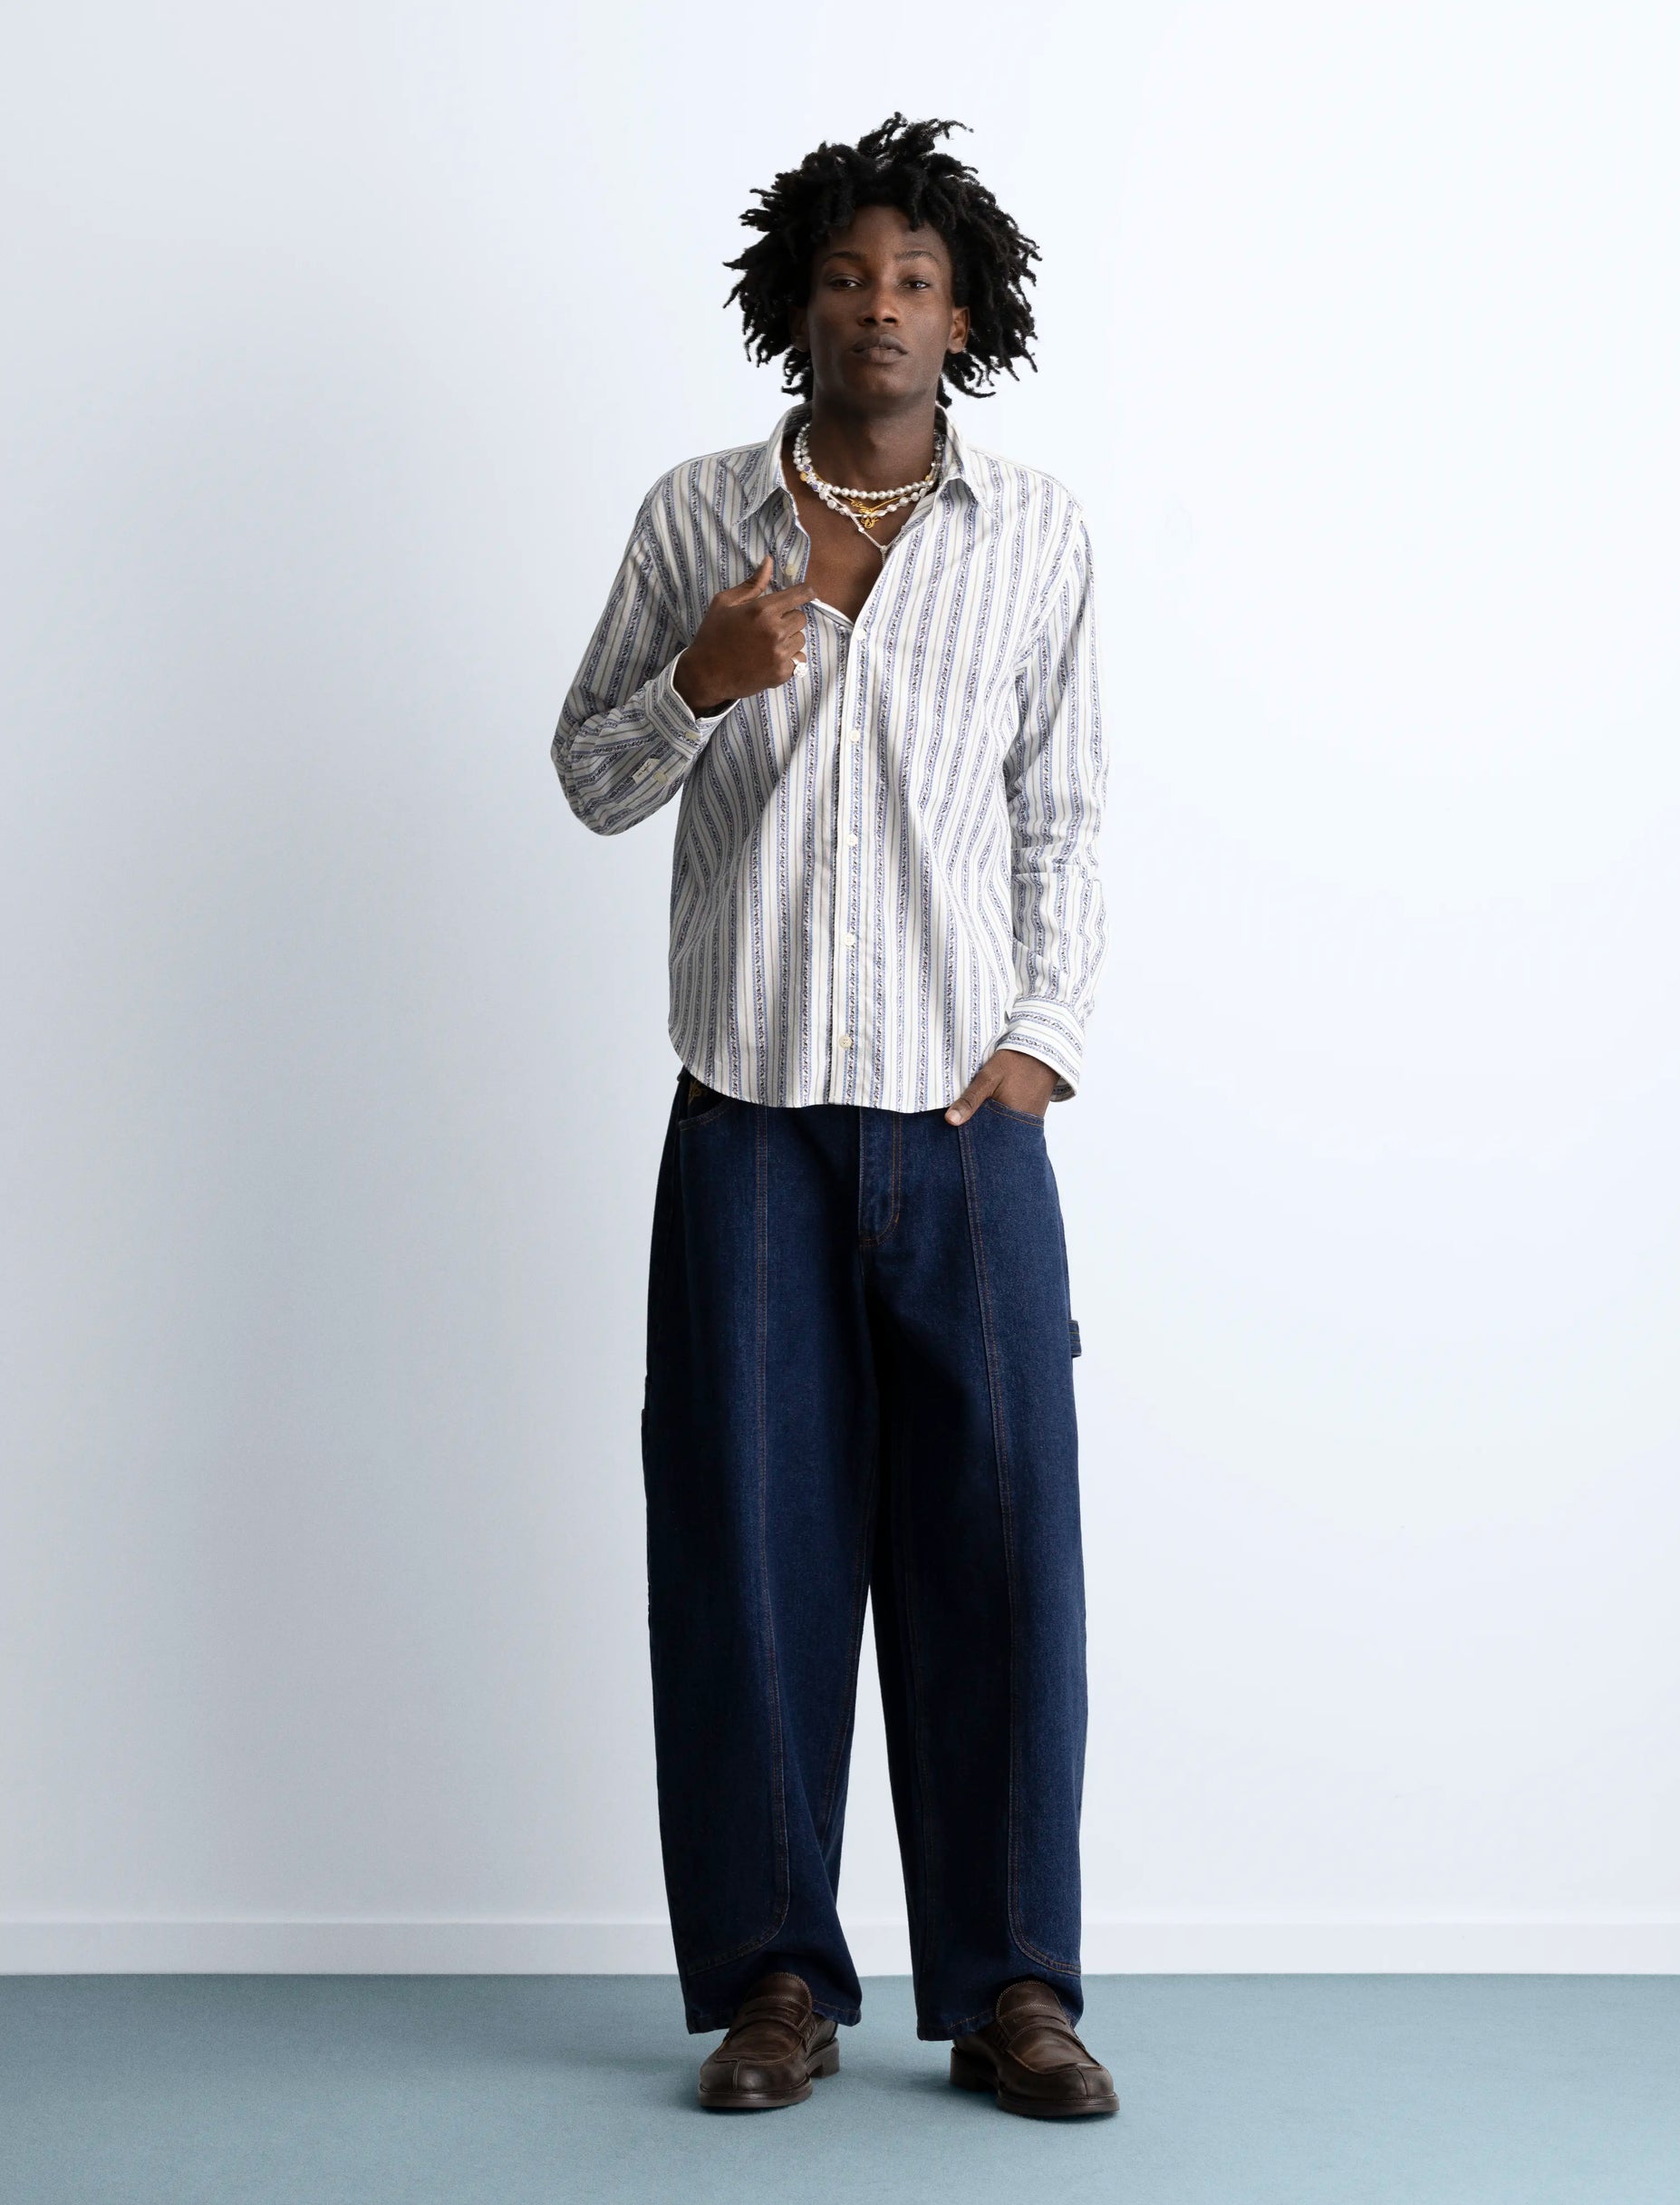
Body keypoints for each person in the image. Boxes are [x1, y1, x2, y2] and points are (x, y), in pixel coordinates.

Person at [550, 114, 1115, 2120]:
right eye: (849, 273)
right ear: (794, 301)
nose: (879, 303)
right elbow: (589, 775)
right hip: (747, 1120)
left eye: (915, 279)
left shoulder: (1035, 532)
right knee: (745, 1556)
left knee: (1001, 1556)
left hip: (966, 1126)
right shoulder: (695, 516)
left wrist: (1038, 1038)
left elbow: (1066, 812)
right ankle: (773, 1978)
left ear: (965, 317)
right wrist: (701, 681)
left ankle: (1012, 1987)